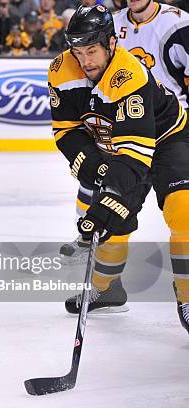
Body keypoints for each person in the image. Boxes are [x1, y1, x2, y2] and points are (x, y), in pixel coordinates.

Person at [48, 5, 189, 334]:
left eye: (92, 51)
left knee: (183, 209)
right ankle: (107, 289)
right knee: (112, 222)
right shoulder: (60, 70)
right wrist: (96, 170)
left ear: (111, 43)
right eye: (78, 52)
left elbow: (136, 157)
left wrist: (112, 195)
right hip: (117, 145)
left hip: (168, 139)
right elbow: (66, 132)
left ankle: (187, 296)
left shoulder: (130, 74)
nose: (86, 61)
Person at [61, 1, 189, 259]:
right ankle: (89, 238)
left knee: (181, 205)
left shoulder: (178, 23)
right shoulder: (111, 22)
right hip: (124, 124)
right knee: (98, 180)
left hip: (168, 125)